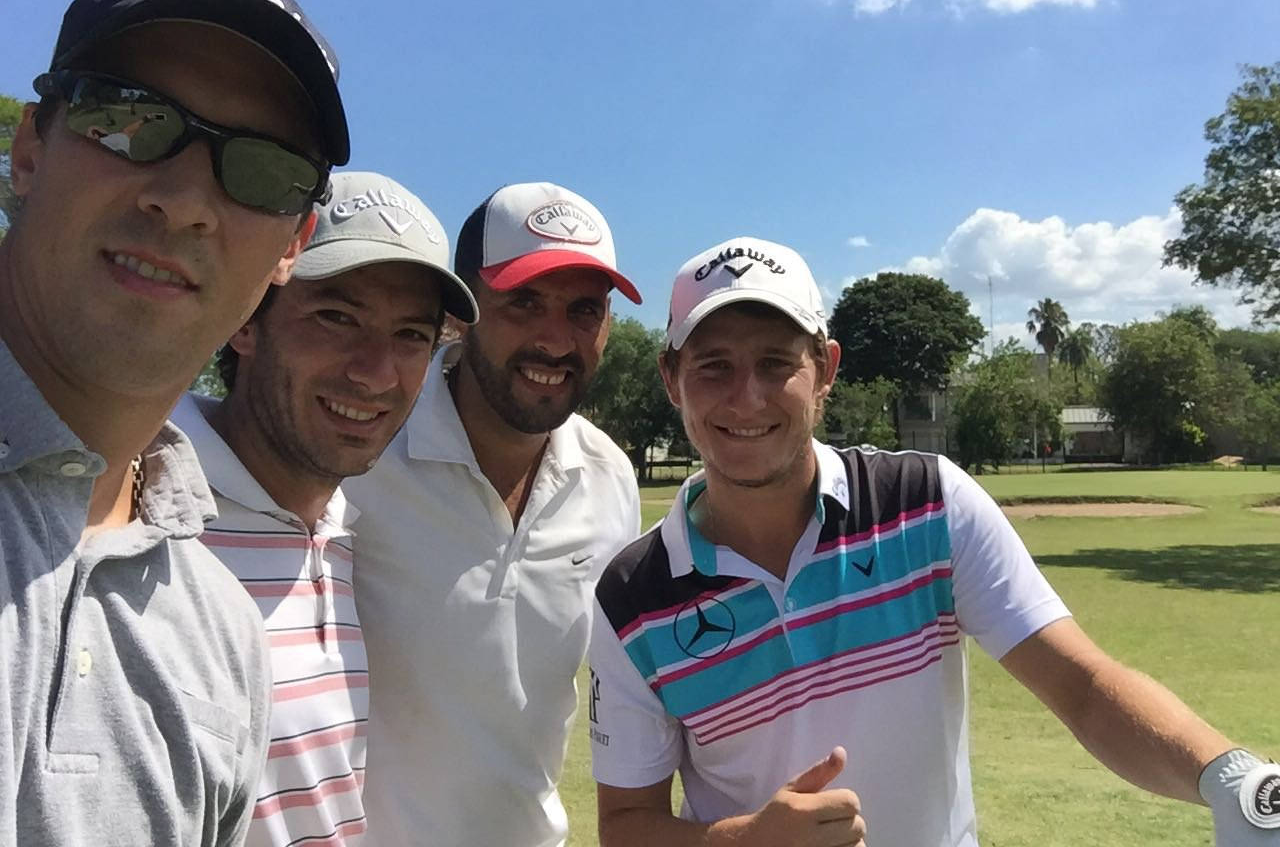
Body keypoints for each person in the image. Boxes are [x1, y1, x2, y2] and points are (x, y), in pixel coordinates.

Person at [588, 236, 1280, 847]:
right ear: (671, 379)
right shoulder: (632, 596)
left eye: (776, 363)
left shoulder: (925, 502)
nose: (747, 398)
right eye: (713, 366)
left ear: (825, 369)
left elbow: (1082, 685)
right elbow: (626, 824)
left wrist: (1231, 778)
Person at [0, 0, 351, 845]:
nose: (187, 198)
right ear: (31, 147)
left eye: (265, 170)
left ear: (290, 246)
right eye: (130, 119)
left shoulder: (220, 631)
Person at [172, 171, 478, 846]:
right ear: (247, 319)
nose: (376, 372)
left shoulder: (338, 530)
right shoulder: (137, 511)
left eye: (410, 337)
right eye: (336, 317)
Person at [343, 181, 644, 847]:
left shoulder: (610, 478)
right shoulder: (363, 446)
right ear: (462, 311)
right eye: (524, 301)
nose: (555, 340)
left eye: (584, 310)